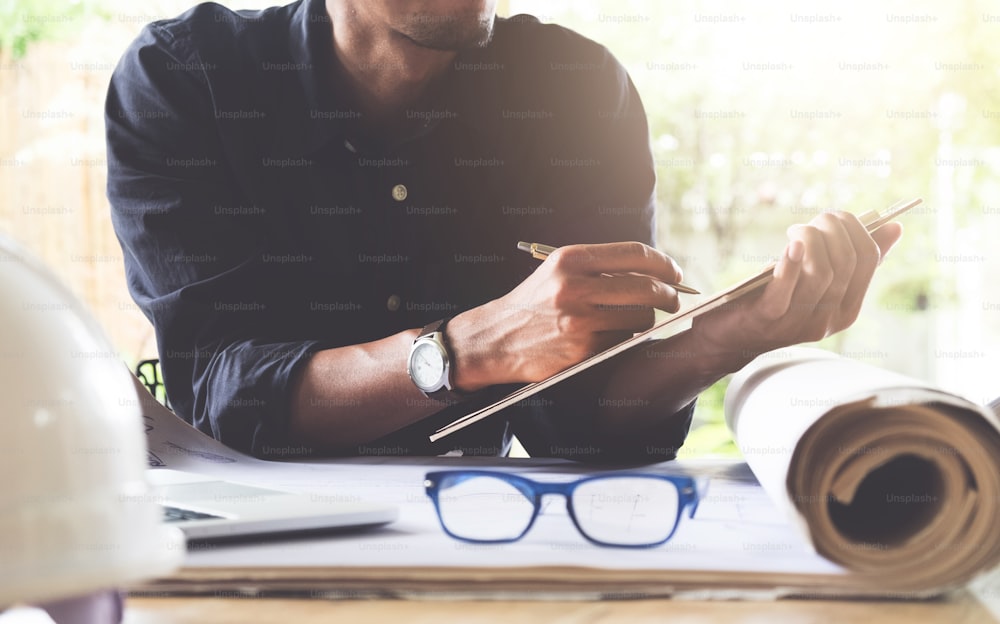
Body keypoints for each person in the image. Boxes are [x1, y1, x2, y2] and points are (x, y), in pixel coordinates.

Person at [106, 0, 902, 460]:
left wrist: (739, 332)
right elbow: (224, 391)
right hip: (255, 558)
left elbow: (585, 417)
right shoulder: (185, 82)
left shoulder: (576, 91)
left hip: (485, 542)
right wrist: (468, 349)